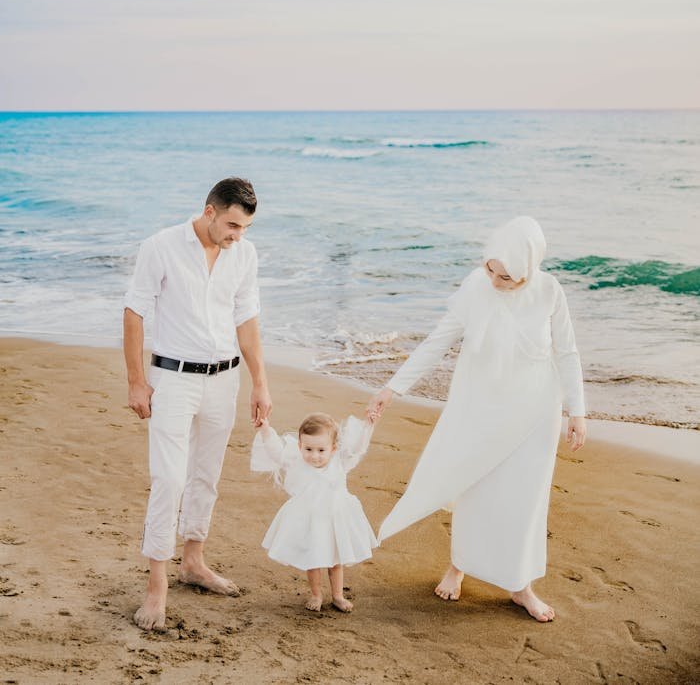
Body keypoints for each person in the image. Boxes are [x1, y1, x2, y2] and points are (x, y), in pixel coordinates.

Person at [367, 216, 586, 623]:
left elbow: (567, 352)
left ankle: (520, 585)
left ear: (528, 271)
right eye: (491, 268)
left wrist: (577, 411)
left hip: (536, 408)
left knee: (525, 497)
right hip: (481, 403)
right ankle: (459, 565)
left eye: (508, 277)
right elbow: (437, 343)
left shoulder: (550, 291)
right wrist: (391, 389)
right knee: (474, 484)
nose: (496, 281)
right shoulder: (475, 288)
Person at [123, 177, 272, 631]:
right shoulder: (160, 247)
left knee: (206, 476)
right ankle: (156, 585)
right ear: (209, 211)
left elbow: (246, 318)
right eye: (231, 225)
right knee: (169, 477)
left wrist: (260, 383)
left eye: (244, 228)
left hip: (223, 379)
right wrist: (136, 382)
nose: (237, 236)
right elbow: (134, 311)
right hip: (171, 378)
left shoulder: (243, 254)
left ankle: (193, 561)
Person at [251, 412, 377, 613]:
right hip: (309, 520)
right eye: (308, 449)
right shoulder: (296, 460)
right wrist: (266, 430)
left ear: (333, 449)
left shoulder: (340, 461)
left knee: (336, 561)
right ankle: (316, 594)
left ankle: (337, 595)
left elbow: (357, 449)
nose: (314, 455)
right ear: (300, 446)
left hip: (335, 519)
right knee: (313, 559)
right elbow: (276, 452)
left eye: (321, 450)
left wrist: (368, 427)